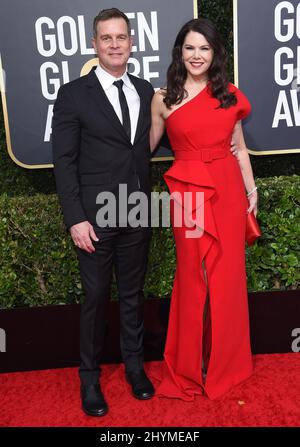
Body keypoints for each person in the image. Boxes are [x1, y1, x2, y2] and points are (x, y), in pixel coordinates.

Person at [52, 8, 155, 417]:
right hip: (93, 218)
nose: (115, 45)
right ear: (94, 45)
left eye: (121, 37)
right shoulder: (74, 94)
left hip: (137, 211)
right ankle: (90, 379)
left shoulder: (146, 91)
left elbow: (157, 142)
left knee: (132, 295)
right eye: (106, 38)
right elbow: (64, 161)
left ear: (131, 43)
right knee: (96, 297)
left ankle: (134, 369)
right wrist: (75, 217)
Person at [150, 17, 258, 400]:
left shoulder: (229, 95)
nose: (197, 55)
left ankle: (227, 362)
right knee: (193, 277)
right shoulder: (164, 98)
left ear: (216, 54)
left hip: (227, 188)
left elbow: (240, 149)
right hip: (189, 193)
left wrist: (252, 190)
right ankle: (187, 366)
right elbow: (143, 149)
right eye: (190, 47)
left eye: (205, 48)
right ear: (180, 51)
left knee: (226, 276)